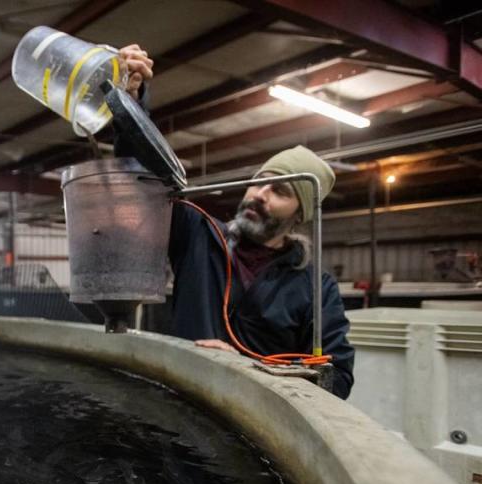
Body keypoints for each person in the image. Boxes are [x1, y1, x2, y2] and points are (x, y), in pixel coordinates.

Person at [113, 46, 355, 399]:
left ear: (299, 214)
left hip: (255, 428)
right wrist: (130, 101)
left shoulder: (315, 289)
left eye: (280, 191)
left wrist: (246, 368)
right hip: (181, 404)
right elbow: (140, 179)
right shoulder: (198, 234)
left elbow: (339, 379)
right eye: (259, 182)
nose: (259, 194)